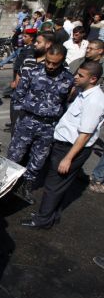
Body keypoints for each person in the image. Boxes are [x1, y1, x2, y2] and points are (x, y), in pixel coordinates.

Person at [22, 61, 104, 228]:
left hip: (70, 148)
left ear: (93, 79)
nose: (75, 77)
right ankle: (51, 216)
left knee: (53, 185)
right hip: (65, 145)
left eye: (81, 75)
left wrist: (68, 158)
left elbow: (85, 134)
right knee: (59, 185)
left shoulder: (94, 100)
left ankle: (42, 220)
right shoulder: (85, 93)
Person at [7, 44, 74, 203]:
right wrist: (21, 116)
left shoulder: (68, 79)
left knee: (38, 160)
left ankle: (25, 189)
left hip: (48, 127)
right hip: (27, 121)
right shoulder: (33, 72)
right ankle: (6, 186)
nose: (50, 66)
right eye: (48, 62)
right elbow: (18, 95)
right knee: (14, 156)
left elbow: (66, 104)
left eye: (55, 63)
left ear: (62, 61)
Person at [8, 32, 55, 134]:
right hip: (20, 106)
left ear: (48, 45)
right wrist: (16, 86)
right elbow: (19, 74)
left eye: (38, 42)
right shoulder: (29, 58)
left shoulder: (55, 64)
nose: (35, 44)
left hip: (38, 112)